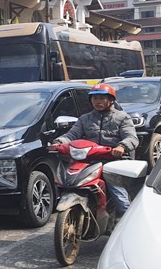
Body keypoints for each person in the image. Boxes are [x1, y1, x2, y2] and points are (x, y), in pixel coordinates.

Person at [50, 83, 139, 218]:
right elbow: (71, 135)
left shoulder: (122, 117)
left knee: (121, 201)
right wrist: (59, 143)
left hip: (114, 161)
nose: (98, 102)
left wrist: (121, 147)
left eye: (102, 98)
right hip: (91, 160)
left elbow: (131, 137)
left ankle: (127, 224)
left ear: (111, 100)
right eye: (95, 98)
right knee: (69, 181)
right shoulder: (85, 118)